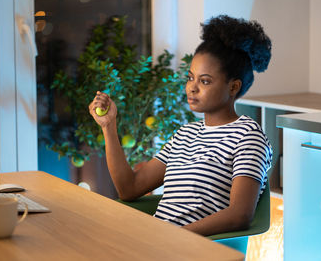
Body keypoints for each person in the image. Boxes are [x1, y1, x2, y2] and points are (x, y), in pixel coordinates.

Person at [89, 15, 272, 236]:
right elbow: (129, 188)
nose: (191, 88)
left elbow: (240, 215)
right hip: (158, 242)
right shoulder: (185, 134)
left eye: (204, 81)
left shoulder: (248, 137)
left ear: (233, 87)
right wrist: (109, 126)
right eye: (190, 77)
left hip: (191, 249)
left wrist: (175, 238)